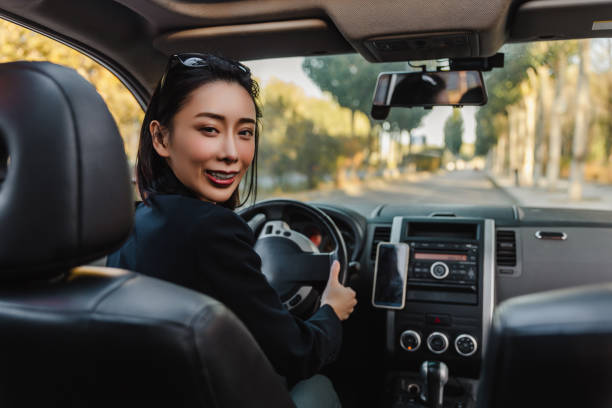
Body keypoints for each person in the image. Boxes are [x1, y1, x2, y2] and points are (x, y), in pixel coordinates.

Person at [106, 53, 357, 407]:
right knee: (318, 387)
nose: (232, 153)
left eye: (245, 133)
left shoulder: (134, 218)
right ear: (160, 138)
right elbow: (297, 354)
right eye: (209, 129)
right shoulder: (212, 231)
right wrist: (332, 309)